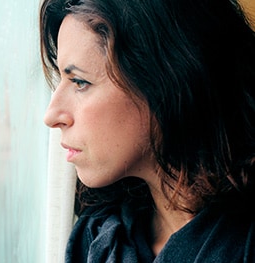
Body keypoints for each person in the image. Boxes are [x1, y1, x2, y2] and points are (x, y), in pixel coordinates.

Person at [39, 0, 255, 262]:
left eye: (80, 82)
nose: (51, 116)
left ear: (165, 82)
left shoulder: (243, 244)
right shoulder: (97, 239)